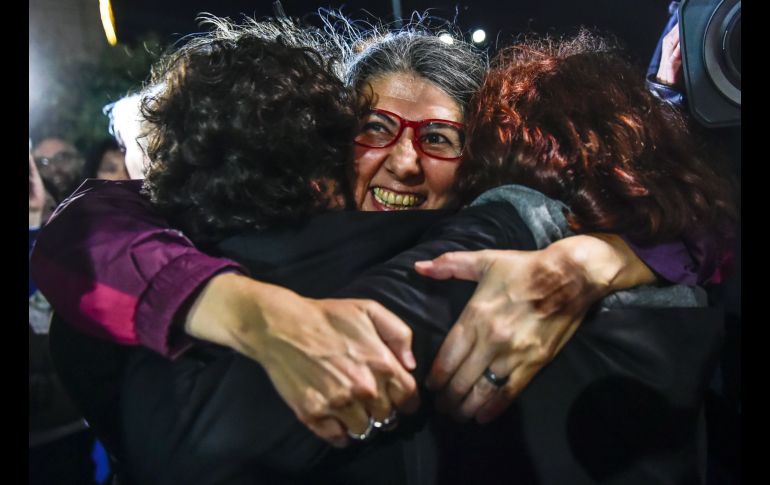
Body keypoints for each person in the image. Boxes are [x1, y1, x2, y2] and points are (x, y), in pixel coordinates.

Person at [45, 25, 735, 484]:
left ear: (480, 163)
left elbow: (708, 237)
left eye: (438, 138)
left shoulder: (496, 254)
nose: (403, 162)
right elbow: (92, 223)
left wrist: (602, 258)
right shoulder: (243, 250)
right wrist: (236, 304)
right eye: (375, 127)